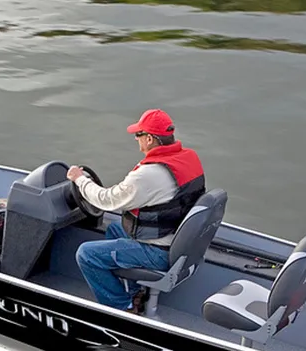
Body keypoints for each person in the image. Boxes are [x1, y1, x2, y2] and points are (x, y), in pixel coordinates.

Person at [67, 109, 206, 314]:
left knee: (86, 255)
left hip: (159, 251)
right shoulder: (188, 158)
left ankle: (122, 307)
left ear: (149, 139)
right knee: (115, 230)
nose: (136, 140)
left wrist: (80, 180)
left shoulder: (147, 175)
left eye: (138, 135)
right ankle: (136, 291)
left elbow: (107, 200)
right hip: (178, 242)